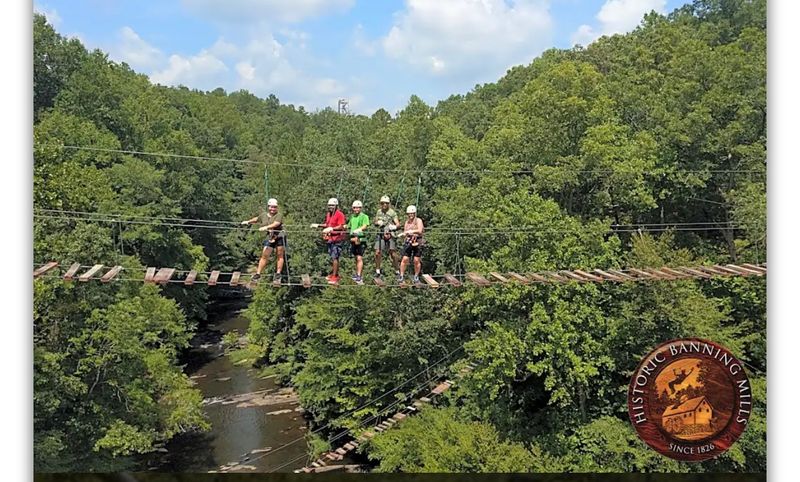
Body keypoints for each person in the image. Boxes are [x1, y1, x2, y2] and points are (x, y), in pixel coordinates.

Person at [241, 198, 285, 283]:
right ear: (268, 207)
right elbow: (256, 219)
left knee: (279, 255)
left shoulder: (279, 215)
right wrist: (248, 222)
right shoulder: (264, 215)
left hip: (279, 236)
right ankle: (258, 274)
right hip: (269, 237)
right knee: (265, 255)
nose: (273, 209)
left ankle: (278, 274)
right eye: (271, 207)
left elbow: (276, 223)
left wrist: (266, 227)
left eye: (275, 207)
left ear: (277, 208)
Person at [311, 198, 346, 284]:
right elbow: (327, 224)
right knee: (332, 256)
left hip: (337, 239)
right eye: (329, 205)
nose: (331, 207)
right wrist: (318, 225)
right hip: (331, 238)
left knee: (335, 257)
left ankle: (335, 276)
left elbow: (341, 226)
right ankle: (333, 273)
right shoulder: (329, 214)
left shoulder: (339, 214)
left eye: (332, 205)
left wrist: (332, 228)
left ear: (336, 206)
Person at [372, 195, 400, 280]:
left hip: (390, 234)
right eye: (382, 203)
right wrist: (378, 222)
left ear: (388, 204)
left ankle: (397, 271)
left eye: (386, 203)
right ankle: (377, 271)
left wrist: (394, 227)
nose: (384, 205)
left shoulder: (392, 213)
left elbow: (398, 224)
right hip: (381, 233)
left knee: (393, 253)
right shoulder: (379, 212)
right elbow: (375, 221)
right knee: (377, 252)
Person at [398, 205, 425, 284]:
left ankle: (416, 276)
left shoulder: (418, 221)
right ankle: (401, 276)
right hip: (409, 241)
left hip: (418, 240)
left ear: (414, 213)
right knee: (405, 259)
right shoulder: (407, 222)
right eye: (409, 214)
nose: (410, 215)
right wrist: (404, 234)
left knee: (416, 260)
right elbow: (405, 231)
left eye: (412, 213)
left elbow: (420, 230)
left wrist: (412, 231)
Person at [346, 200, 370, 284]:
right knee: (356, 257)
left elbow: (365, 226)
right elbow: (348, 226)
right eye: (355, 208)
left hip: (360, 239)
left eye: (358, 208)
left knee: (359, 257)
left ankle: (359, 276)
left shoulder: (364, 216)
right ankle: (357, 274)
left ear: (361, 208)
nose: (356, 209)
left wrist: (359, 229)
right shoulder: (352, 217)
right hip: (353, 239)